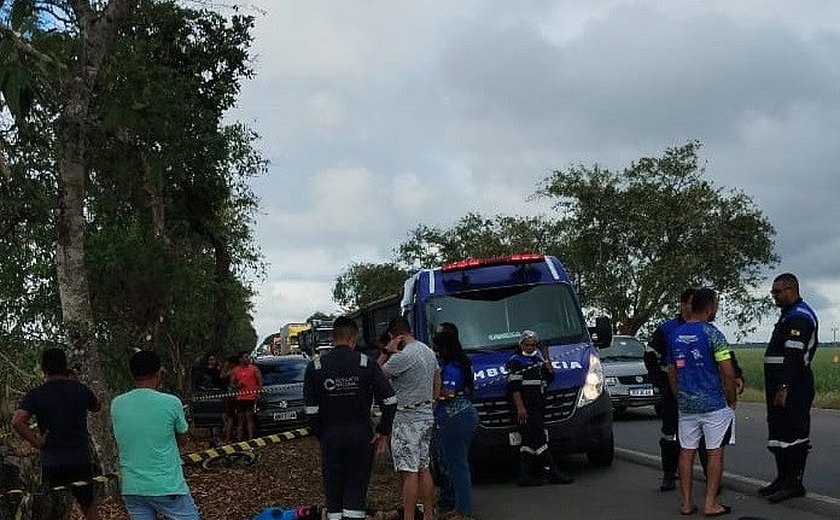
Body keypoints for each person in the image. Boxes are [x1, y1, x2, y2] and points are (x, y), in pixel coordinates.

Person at [304, 316, 397, 520]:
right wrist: (382, 430)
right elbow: (390, 400)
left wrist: (323, 435)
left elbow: (311, 412)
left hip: (331, 436)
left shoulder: (316, 367)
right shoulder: (366, 364)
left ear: (332, 337)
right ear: (354, 338)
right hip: (361, 438)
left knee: (333, 491)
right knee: (356, 489)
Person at [666, 288, 737, 517]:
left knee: (686, 452)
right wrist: (731, 399)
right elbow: (727, 372)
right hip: (713, 404)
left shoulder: (675, 335)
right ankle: (710, 504)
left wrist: (679, 395)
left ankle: (686, 503)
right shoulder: (713, 334)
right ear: (709, 307)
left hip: (686, 405)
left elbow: (671, 370)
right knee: (714, 451)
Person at [111, 350, 201, 519]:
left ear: (132, 374)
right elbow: (183, 440)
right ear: (159, 372)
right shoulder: (171, 402)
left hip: (132, 487)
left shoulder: (116, 404)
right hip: (166, 485)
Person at [12, 348, 100, 520]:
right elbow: (96, 407)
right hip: (79, 460)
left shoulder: (36, 394)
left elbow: (17, 421)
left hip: (52, 462)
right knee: (89, 508)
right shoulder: (79, 390)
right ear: (65, 367)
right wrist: (75, 383)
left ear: (43, 369)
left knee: (52, 511)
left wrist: (37, 442)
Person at [759, 273, 819, 503]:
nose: (774, 296)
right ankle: (782, 479)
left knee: (793, 434)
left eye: (777, 291)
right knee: (778, 434)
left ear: (791, 289)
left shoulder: (799, 317)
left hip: (794, 386)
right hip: (778, 384)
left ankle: (794, 483)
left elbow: (794, 356)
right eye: (773, 292)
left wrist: (784, 387)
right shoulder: (787, 315)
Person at [378, 316, 440, 520]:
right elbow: (437, 377)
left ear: (394, 336)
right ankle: (429, 513)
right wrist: (433, 402)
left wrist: (386, 351)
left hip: (406, 419)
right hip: (425, 416)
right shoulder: (427, 351)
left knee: (409, 471)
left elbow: (376, 375)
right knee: (424, 466)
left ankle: (409, 516)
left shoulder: (403, 356)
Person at [506, 330, 572, 486]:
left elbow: (550, 374)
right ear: (521, 344)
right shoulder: (516, 361)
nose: (530, 347)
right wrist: (521, 408)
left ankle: (524, 476)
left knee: (528, 443)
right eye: (527, 344)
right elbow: (514, 388)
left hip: (538, 404)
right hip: (527, 406)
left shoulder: (537, 359)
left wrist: (546, 356)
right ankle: (553, 472)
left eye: (533, 345)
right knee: (540, 439)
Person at [644, 288, 696, 492]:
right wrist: (661, 382)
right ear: (682, 304)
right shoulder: (667, 328)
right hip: (672, 391)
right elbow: (650, 355)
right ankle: (669, 475)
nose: (694, 307)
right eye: (691, 303)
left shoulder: (704, 328)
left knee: (699, 434)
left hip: (697, 390)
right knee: (670, 433)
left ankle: (709, 476)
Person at [431, 323, 479, 520]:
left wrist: (432, 392)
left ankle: (464, 511)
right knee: (453, 464)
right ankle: (458, 505)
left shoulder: (451, 367)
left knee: (457, 466)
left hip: (454, 418)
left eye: (436, 348)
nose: (435, 352)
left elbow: (447, 393)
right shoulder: (462, 363)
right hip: (462, 415)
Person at [231, 351, 262, 440]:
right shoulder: (236, 370)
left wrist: (258, 393)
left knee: (249, 418)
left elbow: (260, 382)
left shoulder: (254, 369)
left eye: (248, 357)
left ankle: (250, 438)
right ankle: (239, 439)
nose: (247, 359)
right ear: (240, 359)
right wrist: (237, 386)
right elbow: (231, 385)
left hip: (251, 398)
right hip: (240, 398)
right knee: (240, 419)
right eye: (245, 357)